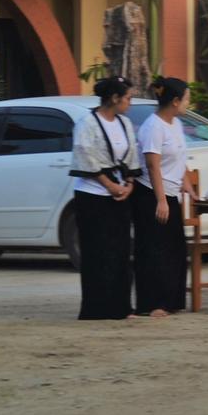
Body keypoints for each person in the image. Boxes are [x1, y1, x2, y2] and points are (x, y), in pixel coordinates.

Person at [68, 76, 141, 320]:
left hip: (119, 194)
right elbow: (85, 155)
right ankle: (97, 308)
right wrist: (109, 185)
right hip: (93, 195)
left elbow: (131, 156)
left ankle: (121, 307)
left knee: (120, 250)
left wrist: (129, 184)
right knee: (96, 252)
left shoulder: (125, 123)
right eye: (127, 98)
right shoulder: (87, 123)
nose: (130, 102)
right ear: (114, 98)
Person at [131, 77, 193, 317]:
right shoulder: (153, 126)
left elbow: (179, 158)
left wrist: (186, 184)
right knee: (153, 250)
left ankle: (171, 300)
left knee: (175, 248)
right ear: (175, 101)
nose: (189, 103)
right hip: (150, 195)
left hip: (170, 193)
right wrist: (160, 200)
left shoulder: (175, 124)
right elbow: (153, 165)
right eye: (186, 98)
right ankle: (152, 303)